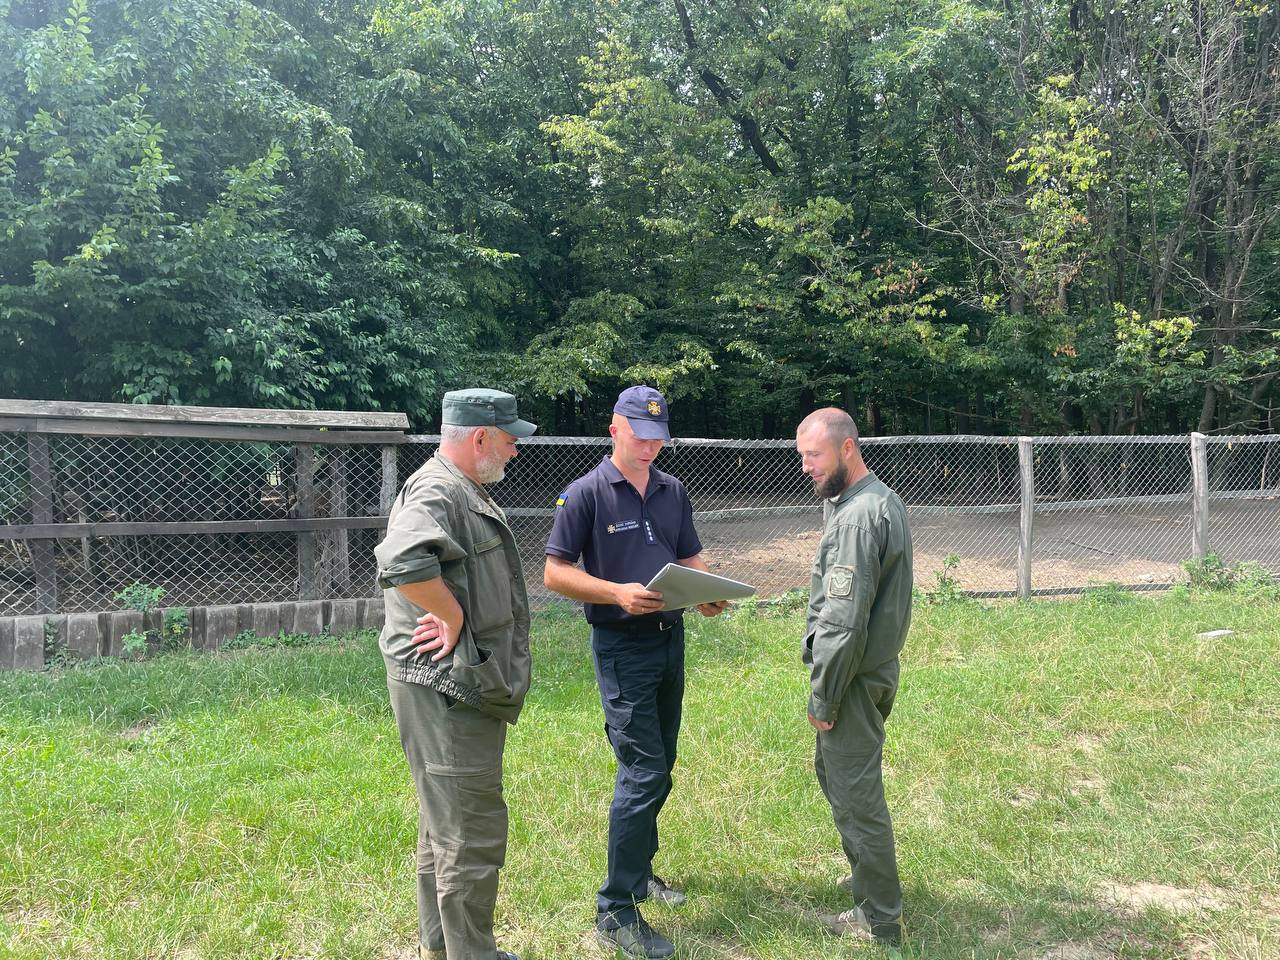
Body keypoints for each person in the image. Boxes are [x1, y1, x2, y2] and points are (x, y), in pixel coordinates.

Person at [542, 385, 727, 960]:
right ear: (614, 429)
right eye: (640, 436)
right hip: (622, 647)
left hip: (670, 640)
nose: (650, 447)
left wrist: (706, 590)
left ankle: (641, 872)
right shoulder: (586, 494)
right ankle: (615, 909)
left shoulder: (673, 491)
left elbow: (688, 556)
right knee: (643, 772)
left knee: (661, 765)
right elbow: (554, 572)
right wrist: (615, 593)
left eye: (658, 439)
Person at [375, 388, 537, 960]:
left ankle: (445, 949)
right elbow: (401, 560)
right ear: (480, 437)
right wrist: (451, 615)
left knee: (446, 825)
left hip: (453, 682)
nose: (514, 451)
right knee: (470, 831)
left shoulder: (457, 486)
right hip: (447, 688)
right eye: (509, 440)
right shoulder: (440, 490)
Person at [794, 407, 913, 947]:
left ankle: (880, 916)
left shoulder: (858, 518)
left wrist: (824, 698)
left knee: (857, 797)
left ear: (847, 448)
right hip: (873, 671)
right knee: (838, 778)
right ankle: (869, 880)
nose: (807, 467)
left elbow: (842, 624)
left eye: (814, 455)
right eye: (802, 456)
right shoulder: (879, 500)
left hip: (853, 680)